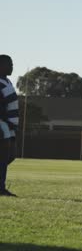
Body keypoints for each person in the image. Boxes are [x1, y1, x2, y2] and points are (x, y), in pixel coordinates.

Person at [0, 54, 18, 197]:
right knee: (4, 156)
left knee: (10, 155)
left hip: (9, 126)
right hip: (2, 125)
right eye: (9, 64)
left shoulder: (7, 81)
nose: (12, 66)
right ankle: (1, 188)